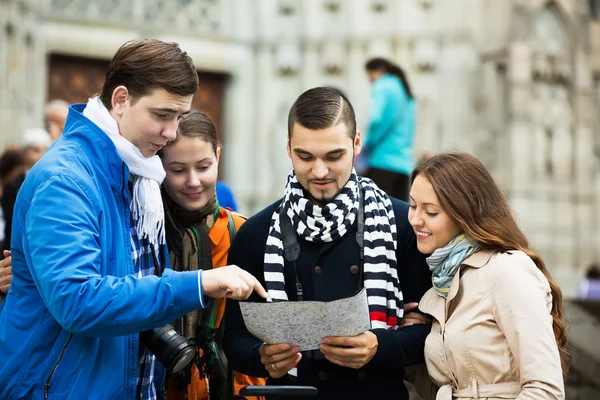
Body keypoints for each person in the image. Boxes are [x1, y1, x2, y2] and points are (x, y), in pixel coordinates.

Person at [0, 39, 266, 400]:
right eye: (162, 115)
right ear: (121, 99)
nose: (172, 132)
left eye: (179, 116)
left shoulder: (136, 172)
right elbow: (78, 301)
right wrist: (199, 283)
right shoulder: (66, 179)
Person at [222, 87, 432, 400]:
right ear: (288, 147)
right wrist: (263, 357)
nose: (319, 172)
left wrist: (380, 346)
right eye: (305, 157)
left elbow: (434, 333)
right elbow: (235, 337)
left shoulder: (403, 223)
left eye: (334, 156)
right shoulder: (256, 232)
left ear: (357, 143)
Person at [408, 152, 568, 399]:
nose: (415, 220)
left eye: (430, 212)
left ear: (464, 214)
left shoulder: (506, 271)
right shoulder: (443, 282)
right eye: (412, 206)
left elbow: (546, 390)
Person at [159, 110, 265, 399]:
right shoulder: (145, 233)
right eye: (178, 170)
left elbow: (257, 337)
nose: (193, 181)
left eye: (204, 166)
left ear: (218, 156)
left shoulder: (242, 232)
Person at [363, 57, 416, 201]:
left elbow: (376, 120)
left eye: (370, 76)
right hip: (404, 164)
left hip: (383, 161)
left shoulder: (383, 86)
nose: (371, 81)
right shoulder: (405, 89)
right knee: (400, 215)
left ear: (379, 71)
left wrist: (366, 144)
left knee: (377, 215)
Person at [1, 128, 52, 251]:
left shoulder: (54, 181)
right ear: (24, 153)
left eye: (45, 150)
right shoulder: (13, 185)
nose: (40, 155)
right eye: (35, 150)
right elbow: (10, 224)